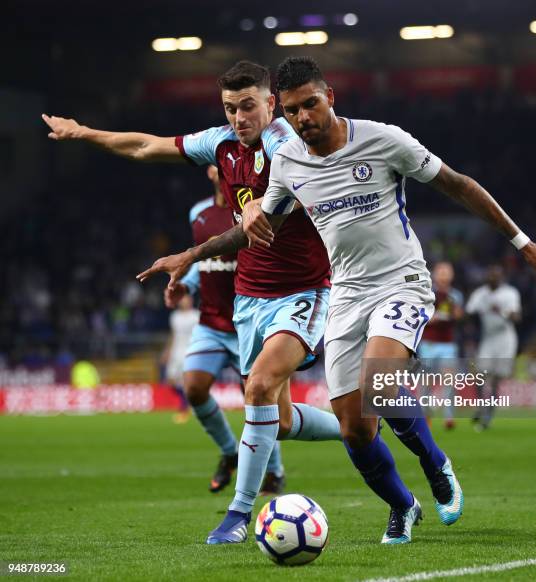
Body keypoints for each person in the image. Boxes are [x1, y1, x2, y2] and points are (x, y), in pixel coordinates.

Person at [138, 56, 536, 544]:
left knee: (379, 383)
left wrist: (522, 242)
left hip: (400, 280)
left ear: (330, 98)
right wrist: (191, 255)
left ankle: (435, 462)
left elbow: (458, 185)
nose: (304, 118)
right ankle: (403, 506)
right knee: (353, 429)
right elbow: (254, 232)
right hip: (345, 292)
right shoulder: (289, 162)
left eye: (311, 104)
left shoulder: (385, 139)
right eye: (295, 111)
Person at [43, 60, 342, 544]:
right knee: (281, 421)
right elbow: (146, 146)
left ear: (270, 103)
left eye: (248, 106)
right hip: (250, 299)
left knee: (259, 386)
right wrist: (84, 134)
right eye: (230, 108)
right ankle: (358, 426)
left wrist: (247, 209)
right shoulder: (220, 141)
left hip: (304, 289)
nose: (239, 117)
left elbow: (273, 209)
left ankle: (239, 513)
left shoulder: (286, 143)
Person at [165, 164, 285, 493]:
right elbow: (204, 261)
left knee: (259, 399)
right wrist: (186, 286)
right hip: (211, 320)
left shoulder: (255, 208)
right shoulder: (198, 213)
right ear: (211, 172)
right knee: (193, 387)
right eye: (222, 166)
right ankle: (230, 452)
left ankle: (274, 470)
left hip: (248, 320)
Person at [465, 265, 521, 430]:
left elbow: (517, 317)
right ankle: (482, 406)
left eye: (497, 276)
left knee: (496, 378)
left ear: (502, 278)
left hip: (505, 338)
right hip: (488, 338)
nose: (493, 278)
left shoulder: (510, 293)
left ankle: (488, 414)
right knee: (479, 374)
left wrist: (502, 311)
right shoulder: (480, 294)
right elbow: (468, 312)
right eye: (491, 276)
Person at [418, 262, 464, 429]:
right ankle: (426, 415)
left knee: (449, 381)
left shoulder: (456, 295)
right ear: (434, 275)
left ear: (451, 276)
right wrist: (433, 318)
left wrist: (453, 313)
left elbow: (459, 315)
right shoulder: (427, 294)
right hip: (428, 343)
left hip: (448, 344)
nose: (444, 276)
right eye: (441, 272)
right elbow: (420, 316)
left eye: (447, 272)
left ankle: (449, 417)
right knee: (426, 382)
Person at [160, 293, 198, 425]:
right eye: (182, 299)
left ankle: (183, 409)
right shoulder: (175, 317)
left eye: (186, 299)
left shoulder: (196, 316)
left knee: (185, 382)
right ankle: (187, 403)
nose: (184, 302)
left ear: (191, 300)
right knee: (169, 381)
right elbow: (173, 335)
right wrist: (167, 352)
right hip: (176, 353)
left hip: (189, 352)